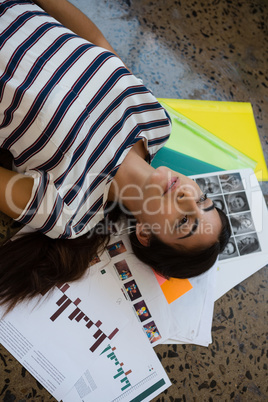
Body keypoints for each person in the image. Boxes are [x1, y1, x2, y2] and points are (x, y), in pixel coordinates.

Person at [0, 0, 231, 311]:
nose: (189, 196)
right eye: (204, 200)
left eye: (184, 221)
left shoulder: (70, 213)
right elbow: (96, 44)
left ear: (146, 235)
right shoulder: (156, 122)